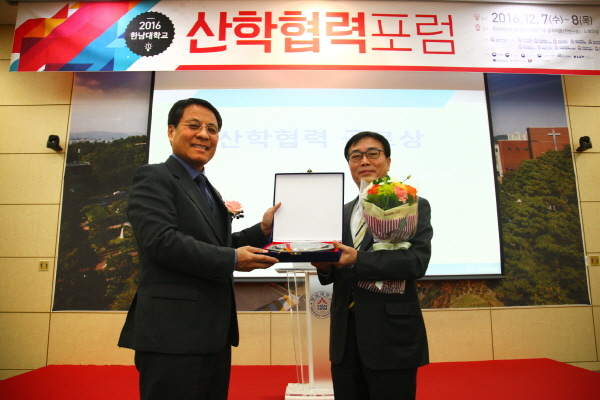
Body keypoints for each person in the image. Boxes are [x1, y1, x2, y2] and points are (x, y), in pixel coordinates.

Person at [118, 98, 281, 400]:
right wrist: (232, 259)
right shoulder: (154, 177)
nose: (204, 135)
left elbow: (217, 245)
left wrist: (263, 230)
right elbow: (161, 242)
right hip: (173, 334)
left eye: (212, 129)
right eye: (194, 126)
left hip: (212, 334)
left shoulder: (206, 188)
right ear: (171, 131)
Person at [312, 131, 433, 400]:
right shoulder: (340, 212)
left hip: (391, 336)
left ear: (388, 161)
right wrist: (325, 267)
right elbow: (336, 271)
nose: (364, 161)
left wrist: (358, 259)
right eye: (356, 156)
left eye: (372, 154)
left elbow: (416, 262)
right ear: (349, 165)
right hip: (345, 337)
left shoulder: (411, 204)